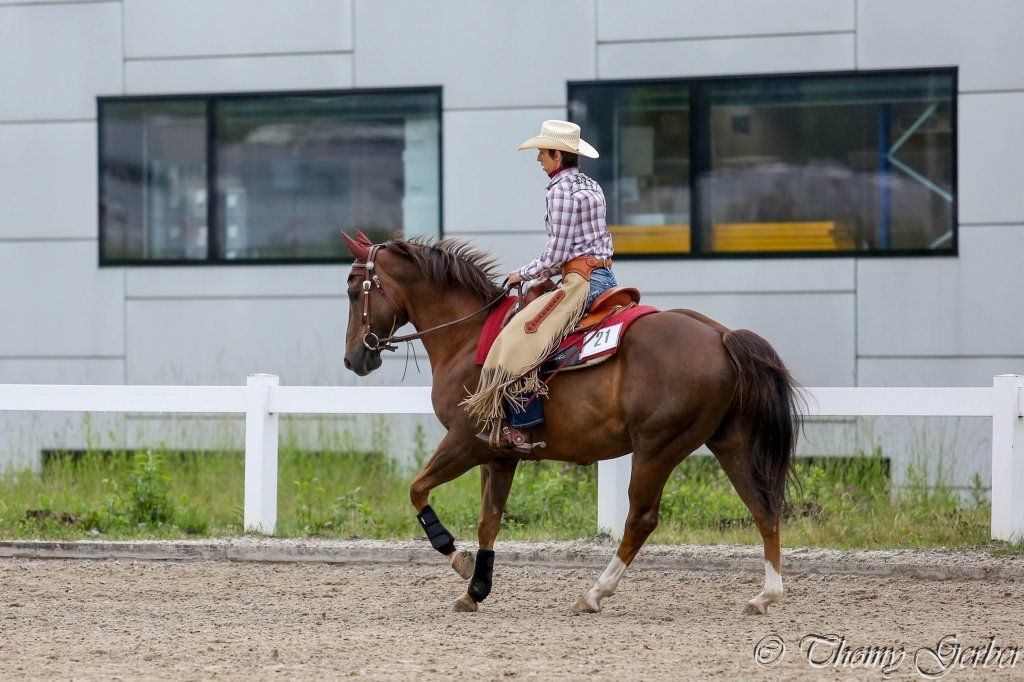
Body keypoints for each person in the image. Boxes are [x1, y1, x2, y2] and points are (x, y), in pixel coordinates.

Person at [462, 120, 617, 450]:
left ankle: (522, 427)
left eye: (542, 154)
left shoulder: (560, 191)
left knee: (521, 339)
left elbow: (558, 251)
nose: (538, 161)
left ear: (558, 156)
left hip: (581, 281)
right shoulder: (591, 185)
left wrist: (523, 273)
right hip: (605, 276)